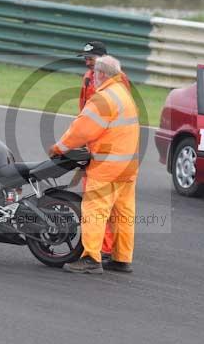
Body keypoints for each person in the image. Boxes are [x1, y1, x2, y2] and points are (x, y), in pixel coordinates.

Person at [49, 55, 139, 274]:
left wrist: (58, 148)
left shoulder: (103, 98)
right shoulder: (124, 94)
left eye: (94, 74)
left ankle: (90, 258)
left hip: (108, 166)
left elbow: (81, 130)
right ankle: (121, 258)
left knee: (94, 210)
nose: (92, 77)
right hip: (128, 165)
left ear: (101, 74)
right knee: (123, 213)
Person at [76, 41, 132, 261]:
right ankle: (114, 252)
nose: (87, 61)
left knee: (99, 203)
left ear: (104, 60)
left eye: (91, 58)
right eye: (86, 58)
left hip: (111, 147)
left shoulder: (119, 81)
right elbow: (84, 111)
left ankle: (101, 250)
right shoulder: (88, 78)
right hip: (95, 143)